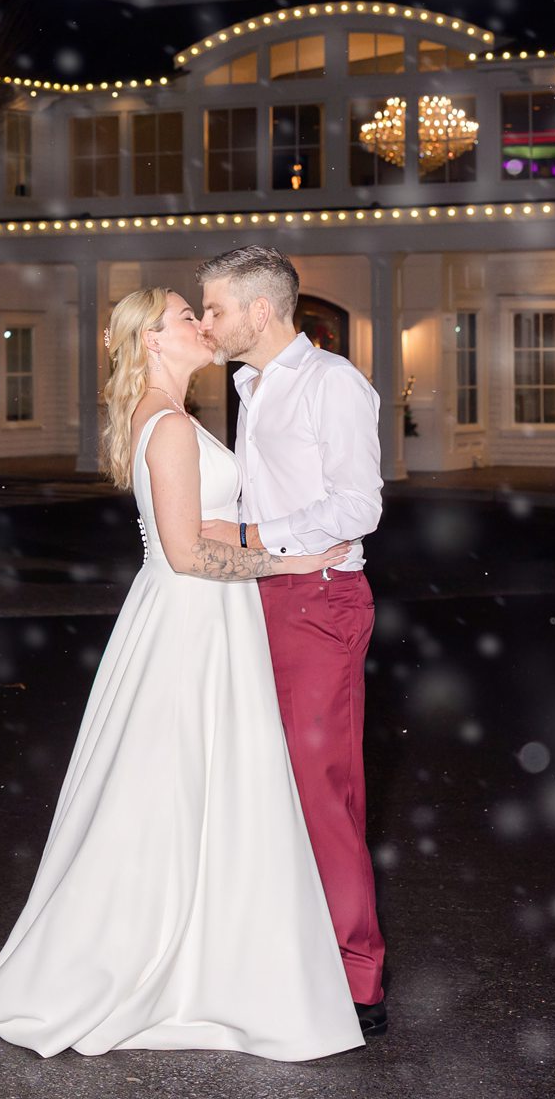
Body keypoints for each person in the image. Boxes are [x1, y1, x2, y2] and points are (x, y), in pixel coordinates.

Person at [0, 286, 364, 1061]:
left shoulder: (168, 417)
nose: (202, 325)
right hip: (192, 617)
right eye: (186, 316)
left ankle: (202, 956)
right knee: (174, 790)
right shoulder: (169, 425)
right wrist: (294, 560)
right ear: (151, 342)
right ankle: (158, 961)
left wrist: (264, 536)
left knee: (185, 789)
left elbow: (197, 529)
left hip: (199, 614)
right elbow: (187, 554)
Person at [196, 245, 389, 1038]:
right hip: (259, 597)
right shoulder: (251, 384)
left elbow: (359, 508)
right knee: (266, 790)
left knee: (322, 793)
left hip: (319, 603)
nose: (208, 322)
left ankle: (358, 982)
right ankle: (289, 960)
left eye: (214, 308)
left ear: (261, 310)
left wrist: (249, 532)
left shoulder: (333, 385)